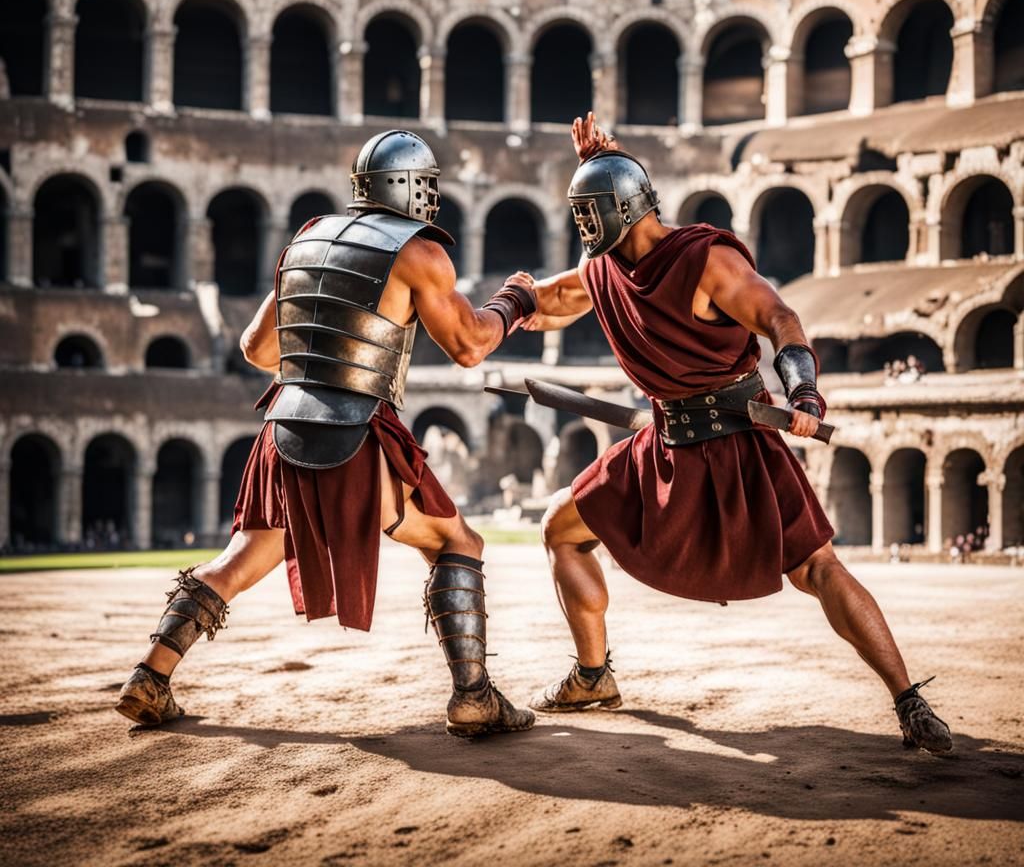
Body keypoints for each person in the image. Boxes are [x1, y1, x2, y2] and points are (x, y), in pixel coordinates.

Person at [509, 113, 953, 755]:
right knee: (561, 528)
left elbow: (779, 316)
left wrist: (803, 389)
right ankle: (594, 675)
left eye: (589, 212)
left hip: (738, 445)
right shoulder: (605, 269)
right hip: (662, 442)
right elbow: (552, 299)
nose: (581, 227)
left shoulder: (705, 260)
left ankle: (909, 701)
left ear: (623, 210)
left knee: (820, 569)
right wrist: (508, 304)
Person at [116, 130, 537, 738]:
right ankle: (474, 696)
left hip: (284, 425)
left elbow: (257, 348)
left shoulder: (307, 240)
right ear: (415, 188)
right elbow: (471, 344)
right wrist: (514, 302)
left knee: (241, 558)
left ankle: (149, 676)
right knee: (456, 542)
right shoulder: (419, 252)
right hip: (359, 430)